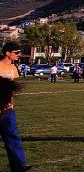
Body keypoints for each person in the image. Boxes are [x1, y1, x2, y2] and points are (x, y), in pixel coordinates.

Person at [0, 42, 31, 171]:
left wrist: (10, 103)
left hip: (8, 110)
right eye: (17, 53)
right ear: (7, 53)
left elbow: (11, 89)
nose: (19, 55)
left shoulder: (13, 68)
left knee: (13, 138)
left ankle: (19, 166)